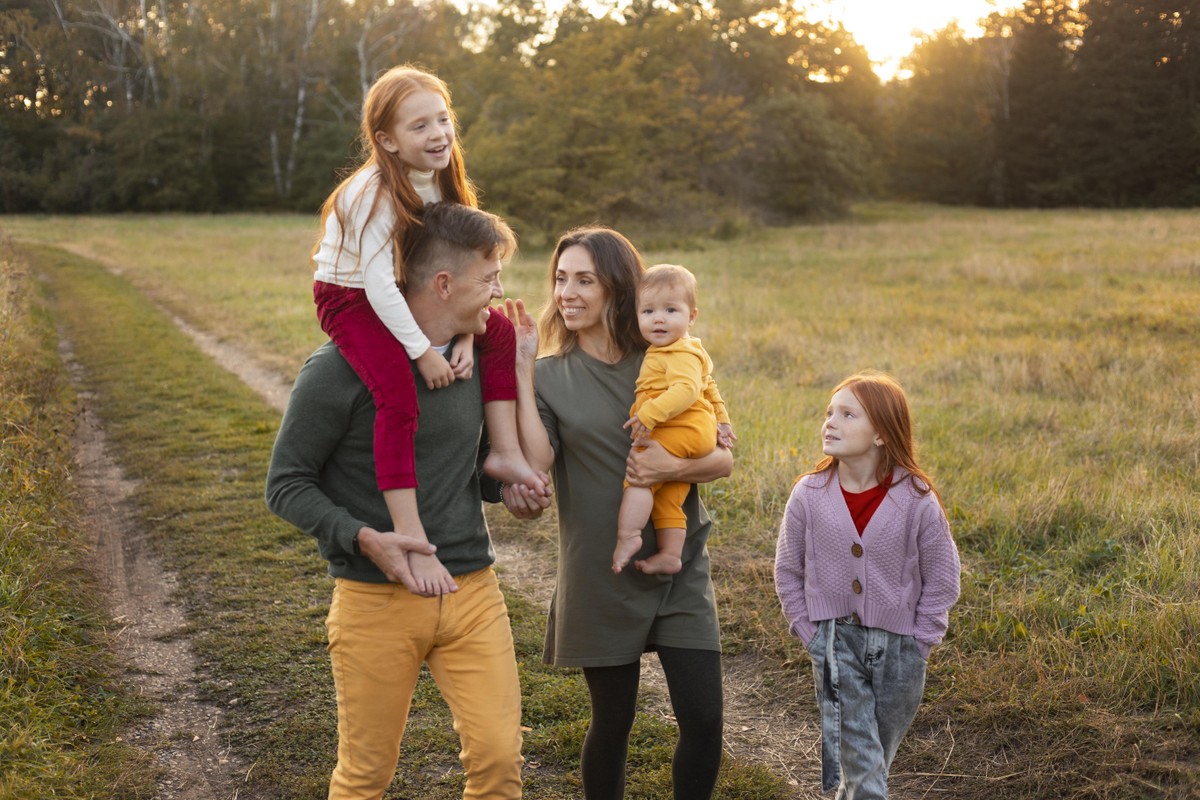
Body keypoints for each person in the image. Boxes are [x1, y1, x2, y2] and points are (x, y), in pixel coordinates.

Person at [268, 202, 543, 800]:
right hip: (374, 600)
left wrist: (504, 488)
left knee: (499, 764)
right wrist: (365, 538)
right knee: (366, 777)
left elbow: (463, 466)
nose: (501, 289)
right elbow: (286, 484)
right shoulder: (339, 370)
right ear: (444, 284)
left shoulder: (473, 356)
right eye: (490, 277)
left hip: (472, 589)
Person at [502, 228, 733, 800]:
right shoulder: (551, 375)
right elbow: (539, 458)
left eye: (585, 280)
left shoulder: (666, 357)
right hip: (601, 568)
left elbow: (722, 461)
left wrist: (666, 471)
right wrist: (524, 370)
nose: (567, 293)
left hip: (677, 560)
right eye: (560, 279)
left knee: (704, 720)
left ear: (616, 288)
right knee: (613, 724)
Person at [311, 64, 545, 595]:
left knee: (502, 334)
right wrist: (423, 353)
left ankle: (504, 451)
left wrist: (466, 334)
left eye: (442, 119)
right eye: (419, 127)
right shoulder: (368, 193)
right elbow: (375, 286)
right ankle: (411, 533)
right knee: (398, 398)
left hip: (404, 289)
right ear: (387, 141)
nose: (438, 134)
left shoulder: (442, 175)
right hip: (352, 298)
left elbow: (466, 259)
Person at [773, 371, 961, 799]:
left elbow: (944, 575)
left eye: (847, 414)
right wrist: (810, 633)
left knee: (870, 760)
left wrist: (922, 641)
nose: (830, 422)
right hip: (835, 642)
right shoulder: (809, 494)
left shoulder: (915, 497)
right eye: (828, 412)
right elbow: (787, 571)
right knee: (864, 768)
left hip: (901, 651)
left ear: (881, 433)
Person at [613, 263, 735, 575]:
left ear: (691, 316)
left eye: (670, 310)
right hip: (696, 431)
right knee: (667, 497)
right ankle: (670, 554)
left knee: (641, 474)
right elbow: (709, 387)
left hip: (680, 427)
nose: (658, 318)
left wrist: (649, 414)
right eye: (648, 311)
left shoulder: (677, 353)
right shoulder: (691, 350)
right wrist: (722, 421)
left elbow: (687, 389)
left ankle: (628, 536)